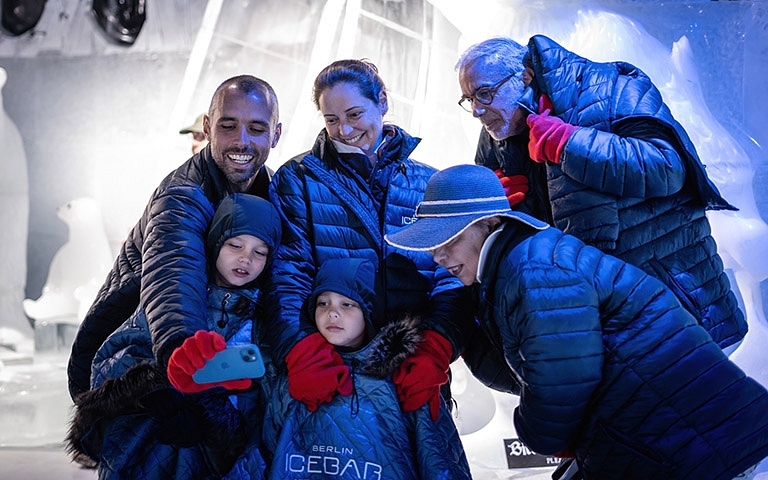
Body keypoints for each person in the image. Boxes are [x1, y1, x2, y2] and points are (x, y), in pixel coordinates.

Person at [385, 164, 768, 480]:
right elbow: (524, 369)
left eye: (446, 241)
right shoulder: (512, 267)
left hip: (698, 441)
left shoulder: (534, 268)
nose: (438, 256)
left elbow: (562, 380)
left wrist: (537, 432)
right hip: (672, 438)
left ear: (486, 223)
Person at [455, 35, 746, 353]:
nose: (476, 111)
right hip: (599, 327)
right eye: (469, 99)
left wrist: (569, 144)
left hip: (679, 306)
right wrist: (496, 212)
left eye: (484, 94)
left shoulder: (610, 87)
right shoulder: (496, 136)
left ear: (525, 76)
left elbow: (668, 168)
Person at [265, 59, 474, 419]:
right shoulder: (297, 179)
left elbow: (452, 278)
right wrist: (300, 350)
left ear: (383, 101)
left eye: (354, 114)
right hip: (332, 366)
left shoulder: (428, 183)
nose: (344, 130)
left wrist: (437, 347)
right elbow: (287, 273)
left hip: (413, 368)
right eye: (331, 120)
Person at [67, 74, 282, 402]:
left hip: (216, 357)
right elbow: (173, 273)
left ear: (275, 135)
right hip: (140, 359)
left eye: (256, 129)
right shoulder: (182, 196)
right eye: (228, 126)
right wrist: (183, 345)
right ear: (207, 128)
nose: (242, 141)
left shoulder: (273, 193)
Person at [65, 193, 283, 479]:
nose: (246, 258)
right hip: (147, 448)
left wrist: (220, 413)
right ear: (215, 242)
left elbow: (266, 393)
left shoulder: (265, 316)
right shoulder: (180, 297)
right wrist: (155, 391)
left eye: (260, 252)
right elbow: (111, 359)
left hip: (220, 457)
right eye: (235, 245)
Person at [261, 257, 472, 480]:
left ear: (369, 311)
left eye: (347, 304)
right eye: (323, 303)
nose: (332, 313)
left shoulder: (404, 378)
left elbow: (439, 459)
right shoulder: (298, 374)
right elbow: (265, 450)